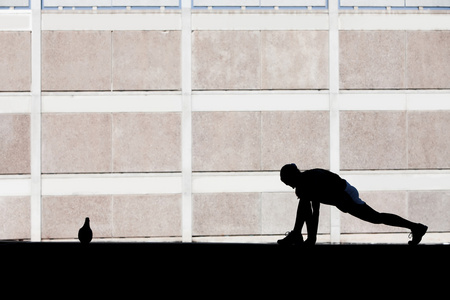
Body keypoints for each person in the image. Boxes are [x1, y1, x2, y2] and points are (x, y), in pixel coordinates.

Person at [277, 163, 428, 246]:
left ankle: (416, 227)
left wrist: (311, 239)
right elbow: (311, 210)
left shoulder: (309, 182)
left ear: (293, 177)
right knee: (303, 203)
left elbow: (315, 210)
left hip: (346, 195)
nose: (290, 186)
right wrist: (311, 238)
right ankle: (297, 234)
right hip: (341, 197)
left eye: (288, 183)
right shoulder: (305, 183)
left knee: (376, 218)